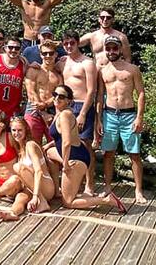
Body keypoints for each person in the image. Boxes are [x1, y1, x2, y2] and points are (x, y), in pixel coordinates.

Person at [45, 85, 126, 213]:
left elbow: (66, 142)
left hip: (76, 158)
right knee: (48, 153)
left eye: (61, 97)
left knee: (69, 203)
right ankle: (57, 190)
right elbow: (61, 139)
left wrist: (65, 165)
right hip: (73, 152)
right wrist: (48, 145)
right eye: (55, 95)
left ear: (69, 101)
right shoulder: (59, 114)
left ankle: (106, 200)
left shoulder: (65, 115)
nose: (56, 98)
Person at [96, 36, 147, 204]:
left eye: (114, 48)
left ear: (120, 49)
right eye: (108, 48)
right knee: (108, 153)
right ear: (105, 50)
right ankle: (107, 187)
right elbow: (99, 97)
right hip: (109, 114)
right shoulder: (102, 71)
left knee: (134, 154)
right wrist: (99, 120)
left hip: (128, 115)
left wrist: (139, 117)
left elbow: (140, 93)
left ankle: (138, 190)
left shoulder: (132, 69)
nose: (111, 51)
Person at [56, 30, 98, 194]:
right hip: (66, 106)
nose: (68, 46)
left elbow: (91, 90)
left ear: (78, 42)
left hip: (82, 105)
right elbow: (48, 65)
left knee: (85, 145)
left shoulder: (87, 63)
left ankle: (90, 184)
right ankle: (74, 182)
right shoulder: (63, 62)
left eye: (72, 43)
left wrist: (83, 113)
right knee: (68, 143)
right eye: (65, 43)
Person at [0, 116, 55, 221]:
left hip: (45, 187)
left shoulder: (30, 145)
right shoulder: (20, 150)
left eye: (20, 130)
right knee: (20, 197)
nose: (16, 133)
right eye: (14, 130)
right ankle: (13, 213)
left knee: (17, 167)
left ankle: (42, 202)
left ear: (26, 130)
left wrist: (36, 196)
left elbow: (38, 171)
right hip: (33, 188)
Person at [24, 39, 63, 145]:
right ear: (40, 55)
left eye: (50, 53)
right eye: (44, 53)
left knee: (55, 143)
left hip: (51, 110)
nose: (47, 56)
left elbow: (58, 94)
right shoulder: (33, 70)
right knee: (32, 143)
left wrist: (45, 105)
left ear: (56, 54)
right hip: (33, 108)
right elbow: (30, 92)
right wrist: (41, 111)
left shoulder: (58, 76)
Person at [0, 36, 27, 118]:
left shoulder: (24, 65)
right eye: (10, 47)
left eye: (17, 48)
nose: (13, 50)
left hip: (13, 112)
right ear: (5, 48)